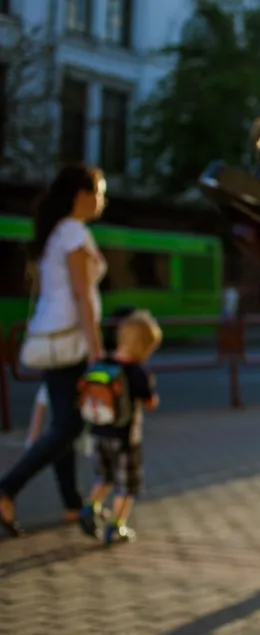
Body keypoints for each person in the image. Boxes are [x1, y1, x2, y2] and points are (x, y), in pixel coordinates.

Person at [0, 164, 108, 537]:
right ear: (82, 195)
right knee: (69, 425)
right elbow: (82, 296)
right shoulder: (74, 233)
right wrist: (97, 350)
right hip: (70, 340)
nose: (102, 200)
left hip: (52, 336)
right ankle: (7, 488)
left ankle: (71, 503)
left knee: (66, 420)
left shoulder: (55, 234)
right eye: (99, 191)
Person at [77, 310, 162, 545]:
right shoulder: (137, 372)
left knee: (104, 476)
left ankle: (89, 508)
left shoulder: (102, 363)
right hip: (125, 439)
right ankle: (117, 525)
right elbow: (151, 403)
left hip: (98, 433)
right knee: (127, 485)